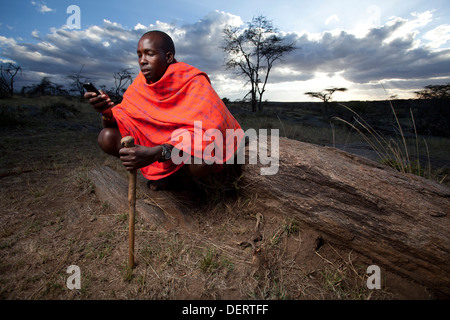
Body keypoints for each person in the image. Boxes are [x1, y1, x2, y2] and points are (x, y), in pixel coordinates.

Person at [85, 30, 243, 190]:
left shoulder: (193, 81)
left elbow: (209, 132)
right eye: (139, 55)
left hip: (180, 147)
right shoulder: (141, 84)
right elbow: (120, 122)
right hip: (160, 144)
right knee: (107, 137)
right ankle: (166, 175)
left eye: (149, 54)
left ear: (168, 57)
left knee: (201, 162)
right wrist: (105, 112)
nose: (142, 61)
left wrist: (157, 152)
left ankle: (182, 179)